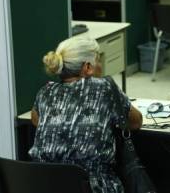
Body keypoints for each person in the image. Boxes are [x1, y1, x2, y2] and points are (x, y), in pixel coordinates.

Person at [29, 37, 143, 193]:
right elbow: (136, 122)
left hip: (47, 185)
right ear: (88, 67)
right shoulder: (104, 88)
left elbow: (36, 120)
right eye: (98, 60)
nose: (101, 65)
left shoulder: (45, 92)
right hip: (94, 186)